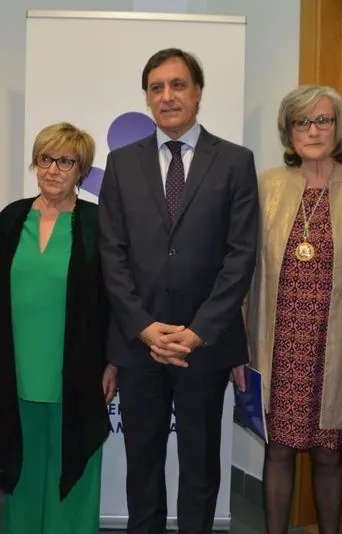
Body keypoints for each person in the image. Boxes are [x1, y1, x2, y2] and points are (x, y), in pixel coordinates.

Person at [98, 47, 260, 534]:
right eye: (156, 88)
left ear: (198, 92)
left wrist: (196, 332)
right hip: (137, 343)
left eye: (178, 85)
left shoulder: (234, 161)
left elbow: (240, 256)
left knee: (201, 464)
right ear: (146, 98)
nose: (167, 96)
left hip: (204, 347)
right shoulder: (121, 163)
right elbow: (112, 253)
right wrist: (145, 328)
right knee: (141, 464)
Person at [245, 84, 342, 534]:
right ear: (288, 131)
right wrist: (239, 347)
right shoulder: (264, 187)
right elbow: (241, 271)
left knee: (330, 453)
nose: (312, 130)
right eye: (302, 121)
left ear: (339, 128)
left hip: (341, 346)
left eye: (323, 120)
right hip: (278, 344)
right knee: (278, 450)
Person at [0, 122, 115, 534]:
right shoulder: (9, 220)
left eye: (66, 161)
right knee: (23, 467)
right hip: (18, 368)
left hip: (76, 372)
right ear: (36, 163)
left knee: (71, 469)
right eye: (46, 158)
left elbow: (115, 301)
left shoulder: (99, 224)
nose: (54, 170)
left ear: (81, 169)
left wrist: (113, 362)